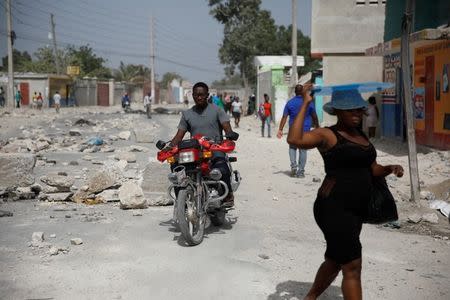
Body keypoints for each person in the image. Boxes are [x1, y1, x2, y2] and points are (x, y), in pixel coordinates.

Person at [287, 85, 404, 300]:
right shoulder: (327, 134)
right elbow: (295, 140)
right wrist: (305, 103)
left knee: (336, 258)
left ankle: (310, 297)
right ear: (338, 111)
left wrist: (389, 168)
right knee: (352, 265)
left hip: (356, 208)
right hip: (333, 208)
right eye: (351, 110)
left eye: (359, 110)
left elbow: (372, 168)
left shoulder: (360, 135)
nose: (357, 114)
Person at [169, 82, 237, 207]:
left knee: (222, 169)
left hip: (214, 148)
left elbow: (227, 129)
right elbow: (179, 136)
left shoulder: (217, 111)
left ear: (207, 95)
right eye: (196, 95)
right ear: (192, 96)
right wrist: (169, 147)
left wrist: (230, 134)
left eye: (202, 95)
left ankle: (228, 196)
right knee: (176, 166)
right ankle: (180, 200)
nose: (199, 97)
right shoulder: (187, 114)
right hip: (195, 151)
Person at [277, 84, 319, 178]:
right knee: (303, 150)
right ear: (303, 91)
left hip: (293, 130)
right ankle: (301, 172)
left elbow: (284, 117)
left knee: (292, 148)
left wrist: (280, 129)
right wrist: (317, 127)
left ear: (295, 92)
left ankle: (294, 167)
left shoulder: (290, 103)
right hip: (305, 130)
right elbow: (314, 116)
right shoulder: (308, 102)